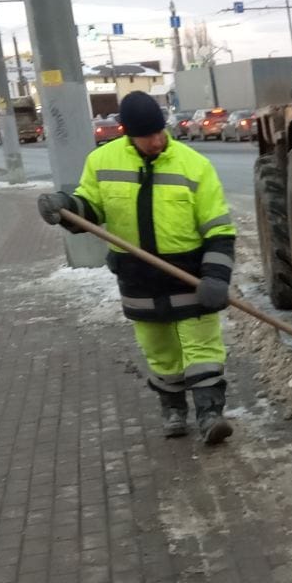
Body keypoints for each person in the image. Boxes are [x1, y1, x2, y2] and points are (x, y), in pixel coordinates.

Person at [37, 90, 237, 445]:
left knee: (203, 348)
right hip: (138, 277)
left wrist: (216, 277)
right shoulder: (102, 162)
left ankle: (210, 415)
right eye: (147, 135)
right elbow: (90, 209)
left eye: (160, 132)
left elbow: (220, 230)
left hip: (190, 275)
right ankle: (173, 408)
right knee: (160, 351)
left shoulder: (194, 165)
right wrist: (66, 206)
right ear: (127, 132)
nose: (156, 141)